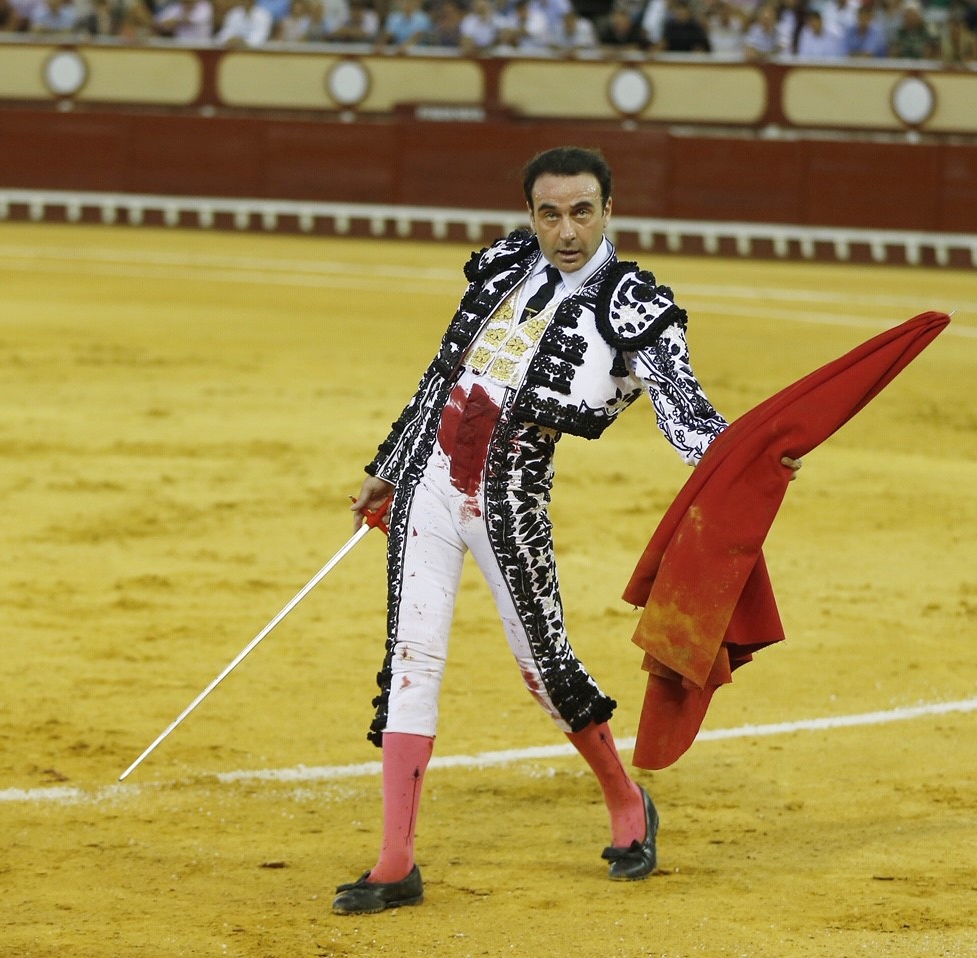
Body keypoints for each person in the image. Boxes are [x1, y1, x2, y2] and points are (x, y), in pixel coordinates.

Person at [334, 146, 800, 915]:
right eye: (550, 213)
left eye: (582, 211)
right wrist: (392, 463)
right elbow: (448, 370)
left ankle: (625, 803)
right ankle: (395, 861)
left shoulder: (633, 303)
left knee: (544, 669)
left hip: (508, 502)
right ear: (530, 215)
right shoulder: (505, 264)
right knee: (410, 659)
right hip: (429, 488)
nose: (566, 230)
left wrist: (749, 459)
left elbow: (686, 414)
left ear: (608, 210)